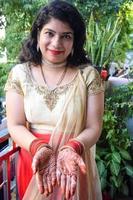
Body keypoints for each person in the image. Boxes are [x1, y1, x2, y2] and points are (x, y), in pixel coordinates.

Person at [4, 1, 104, 199]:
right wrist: (39, 147)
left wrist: (72, 148)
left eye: (66, 36)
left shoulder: (88, 76)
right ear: (38, 33)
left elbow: (94, 127)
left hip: (72, 163)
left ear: (75, 40)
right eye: (49, 33)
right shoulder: (20, 74)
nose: (57, 43)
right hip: (36, 161)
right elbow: (14, 125)